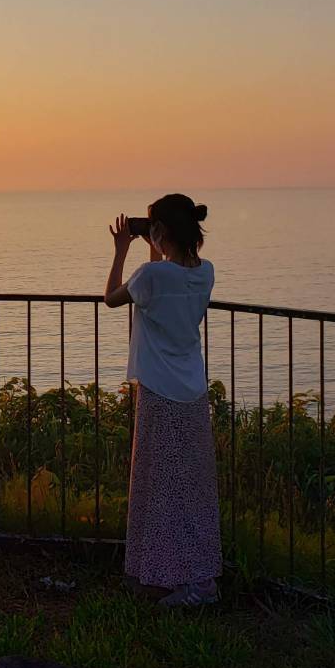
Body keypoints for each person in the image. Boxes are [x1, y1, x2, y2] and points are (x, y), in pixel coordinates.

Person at [104, 193, 220, 606]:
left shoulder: (149, 277)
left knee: (158, 487)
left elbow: (113, 296)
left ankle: (182, 582)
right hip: (192, 390)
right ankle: (187, 575)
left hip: (158, 391)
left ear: (160, 232)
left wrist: (121, 251)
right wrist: (156, 246)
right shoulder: (205, 273)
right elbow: (162, 284)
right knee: (190, 488)